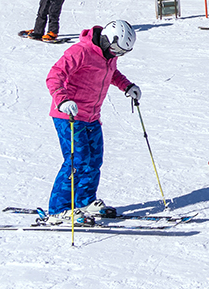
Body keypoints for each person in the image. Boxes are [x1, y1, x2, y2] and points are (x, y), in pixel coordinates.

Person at [42, 20, 140, 223]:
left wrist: (127, 86)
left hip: (91, 116)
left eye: (122, 52)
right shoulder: (81, 51)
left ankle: (85, 201)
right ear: (107, 39)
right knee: (76, 162)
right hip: (68, 115)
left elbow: (111, 74)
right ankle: (58, 208)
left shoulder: (109, 56)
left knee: (94, 161)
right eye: (115, 49)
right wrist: (62, 99)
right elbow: (54, 75)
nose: (116, 54)